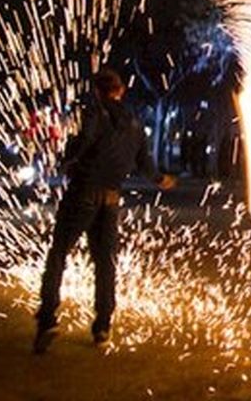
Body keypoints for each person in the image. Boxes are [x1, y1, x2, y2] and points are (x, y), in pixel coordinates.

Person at [33, 69, 175, 354]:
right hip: (111, 201)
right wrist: (161, 179)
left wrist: (67, 157)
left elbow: (82, 143)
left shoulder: (95, 112)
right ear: (121, 90)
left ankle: (48, 317)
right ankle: (103, 326)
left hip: (83, 194)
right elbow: (144, 162)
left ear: (97, 91)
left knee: (59, 252)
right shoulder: (134, 122)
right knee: (105, 262)